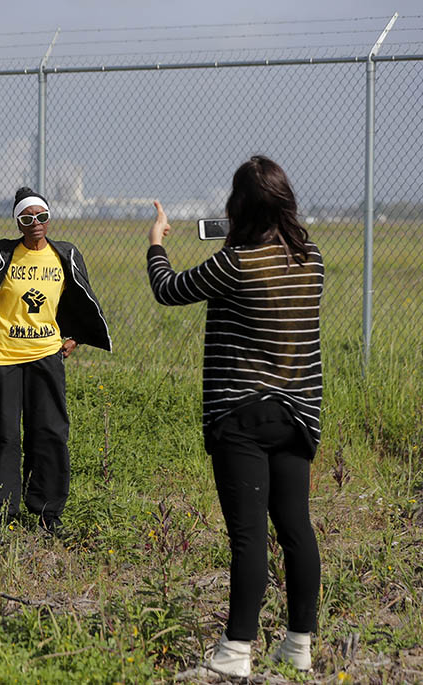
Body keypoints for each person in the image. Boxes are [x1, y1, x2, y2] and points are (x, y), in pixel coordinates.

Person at [146, 156, 323, 678]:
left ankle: (234, 652)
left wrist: (157, 240)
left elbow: (168, 288)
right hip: (298, 414)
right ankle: (298, 647)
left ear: (238, 206)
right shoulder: (308, 256)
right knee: (296, 530)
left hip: (242, 415)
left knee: (247, 537)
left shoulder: (235, 263)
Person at [0, 187, 111, 534]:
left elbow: (78, 297)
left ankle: (48, 513)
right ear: (18, 222)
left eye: (41, 216)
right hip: (1, 356)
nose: (35, 224)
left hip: (46, 355)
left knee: (50, 433)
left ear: (49, 218)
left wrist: (75, 336)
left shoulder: (65, 254)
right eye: (27, 218)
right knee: (2, 434)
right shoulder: (1, 253)